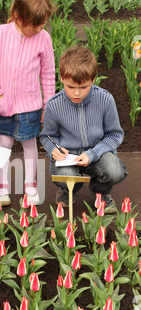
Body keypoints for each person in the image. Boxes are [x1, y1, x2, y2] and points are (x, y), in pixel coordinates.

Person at [0, 0, 56, 206]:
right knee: (4, 142)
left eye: (43, 24)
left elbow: (48, 74)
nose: (40, 29)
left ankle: (31, 188)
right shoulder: (2, 33)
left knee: (30, 144)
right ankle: (1, 188)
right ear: (17, 16)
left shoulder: (44, 39)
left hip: (30, 105)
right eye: (35, 25)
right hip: (3, 105)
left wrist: (47, 105)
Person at [40, 45, 128, 214]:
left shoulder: (105, 100)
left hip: (97, 155)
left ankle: (101, 192)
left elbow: (114, 135)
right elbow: (47, 136)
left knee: (114, 171)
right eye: (70, 87)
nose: (77, 94)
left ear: (93, 79)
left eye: (84, 87)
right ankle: (67, 190)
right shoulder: (54, 105)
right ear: (62, 78)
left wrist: (93, 154)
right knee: (63, 176)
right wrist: (54, 149)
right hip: (68, 157)